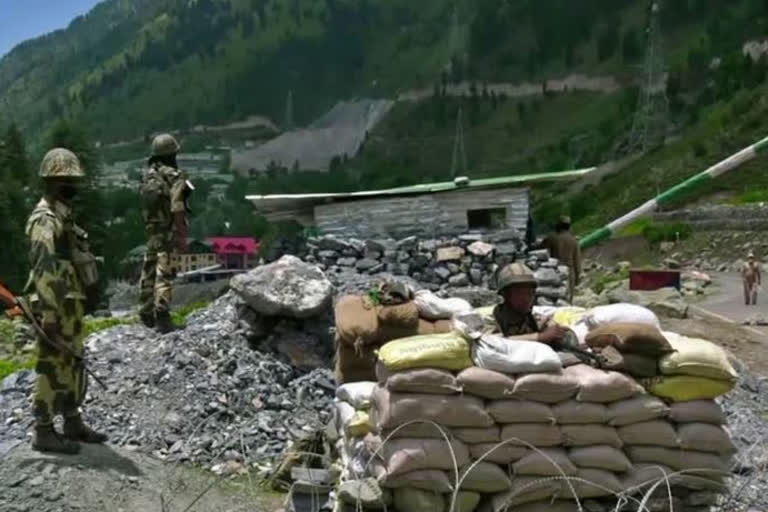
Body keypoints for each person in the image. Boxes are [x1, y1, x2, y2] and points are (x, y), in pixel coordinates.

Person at [26, 148, 107, 454]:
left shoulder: (63, 215)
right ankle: (43, 430)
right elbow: (43, 266)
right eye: (68, 181)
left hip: (69, 301)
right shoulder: (44, 219)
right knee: (50, 363)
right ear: (54, 182)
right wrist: (47, 311)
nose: (74, 186)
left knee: (72, 360)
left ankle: (72, 419)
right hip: (54, 304)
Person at [138, 133, 191, 333]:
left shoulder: (148, 176)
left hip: (152, 229)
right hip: (168, 231)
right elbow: (178, 207)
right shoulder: (175, 177)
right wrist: (182, 235)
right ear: (172, 154)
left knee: (149, 267)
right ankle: (162, 316)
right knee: (166, 271)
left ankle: (145, 311)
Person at [493, 262, 566, 345]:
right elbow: (492, 342)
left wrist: (554, 331)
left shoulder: (531, 316)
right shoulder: (493, 317)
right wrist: (540, 337)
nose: (526, 298)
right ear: (505, 295)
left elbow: (548, 324)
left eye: (529, 293)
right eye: (519, 294)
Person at [541, 215, 582, 303]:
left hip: (554, 271)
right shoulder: (574, 241)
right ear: (569, 227)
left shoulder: (551, 238)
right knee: (568, 299)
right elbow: (577, 261)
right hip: (569, 272)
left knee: (553, 299)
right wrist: (578, 277)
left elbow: (543, 254)